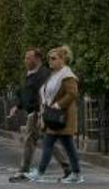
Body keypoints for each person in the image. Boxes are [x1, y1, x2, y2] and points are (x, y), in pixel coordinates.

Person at [8, 48, 70, 183]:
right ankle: (67, 167)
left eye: (28, 58)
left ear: (37, 59)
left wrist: (40, 113)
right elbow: (27, 94)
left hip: (38, 112)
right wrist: (17, 106)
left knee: (30, 140)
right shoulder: (31, 74)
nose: (25, 61)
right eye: (25, 58)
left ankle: (24, 170)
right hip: (34, 112)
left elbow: (45, 95)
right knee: (46, 141)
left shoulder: (43, 75)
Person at [24, 46, 83, 184]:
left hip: (63, 116)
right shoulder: (54, 75)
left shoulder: (68, 76)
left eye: (54, 58)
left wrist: (58, 105)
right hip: (53, 116)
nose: (50, 61)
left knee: (48, 143)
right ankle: (76, 173)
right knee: (67, 146)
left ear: (63, 60)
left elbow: (73, 93)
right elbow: (45, 93)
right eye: (49, 58)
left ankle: (40, 172)